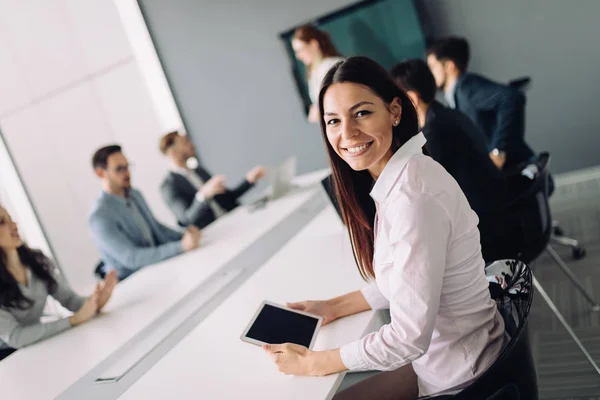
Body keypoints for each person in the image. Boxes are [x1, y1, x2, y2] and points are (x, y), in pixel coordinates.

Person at [262, 57, 506, 399]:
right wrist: (334, 306)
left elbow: (407, 338)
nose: (347, 133)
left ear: (395, 111)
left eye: (361, 113)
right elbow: (408, 277)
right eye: (333, 120)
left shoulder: (412, 197)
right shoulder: (404, 176)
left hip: (463, 380)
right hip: (454, 359)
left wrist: (315, 363)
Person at [391, 59, 518, 262]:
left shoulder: (434, 133)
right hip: (499, 210)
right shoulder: (447, 114)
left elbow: (427, 194)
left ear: (412, 99)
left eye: (395, 103)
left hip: (488, 229)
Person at [0, 206, 117, 361]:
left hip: (35, 346)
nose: (14, 225)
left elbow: (69, 300)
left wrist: (95, 302)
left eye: (11, 218)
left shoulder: (37, 262)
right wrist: (72, 321)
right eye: (2, 222)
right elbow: (16, 337)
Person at [89, 145, 201, 280]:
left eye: (127, 166)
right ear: (101, 173)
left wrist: (185, 234)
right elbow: (132, 258)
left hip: (157, 268)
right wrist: (180, 247)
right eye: (120, 169)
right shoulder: (99, 216)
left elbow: (157, 229)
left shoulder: (135, 195)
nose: (127, 173)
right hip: (133, 282)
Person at [426, 37, 535, 171]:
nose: (430, 74)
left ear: (449, 66)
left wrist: (498, 150)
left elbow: (511, 96)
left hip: (517, 168)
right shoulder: (457, 95)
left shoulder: (466, 88)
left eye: (432, 67)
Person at [159, 132, 266, 229]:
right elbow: (186, 220)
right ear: (173, 152)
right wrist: (202, 196)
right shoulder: (169, 186)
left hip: (236, 219)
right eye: (184, 142)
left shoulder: (199, 171)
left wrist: (249, 180)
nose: (191, 144)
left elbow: (228, 197)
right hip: (215, 232)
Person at [292, 25, 344, 123]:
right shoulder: (313, 73)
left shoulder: (335, 65)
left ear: (314, 44)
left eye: (300, 49)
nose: (299, 56)